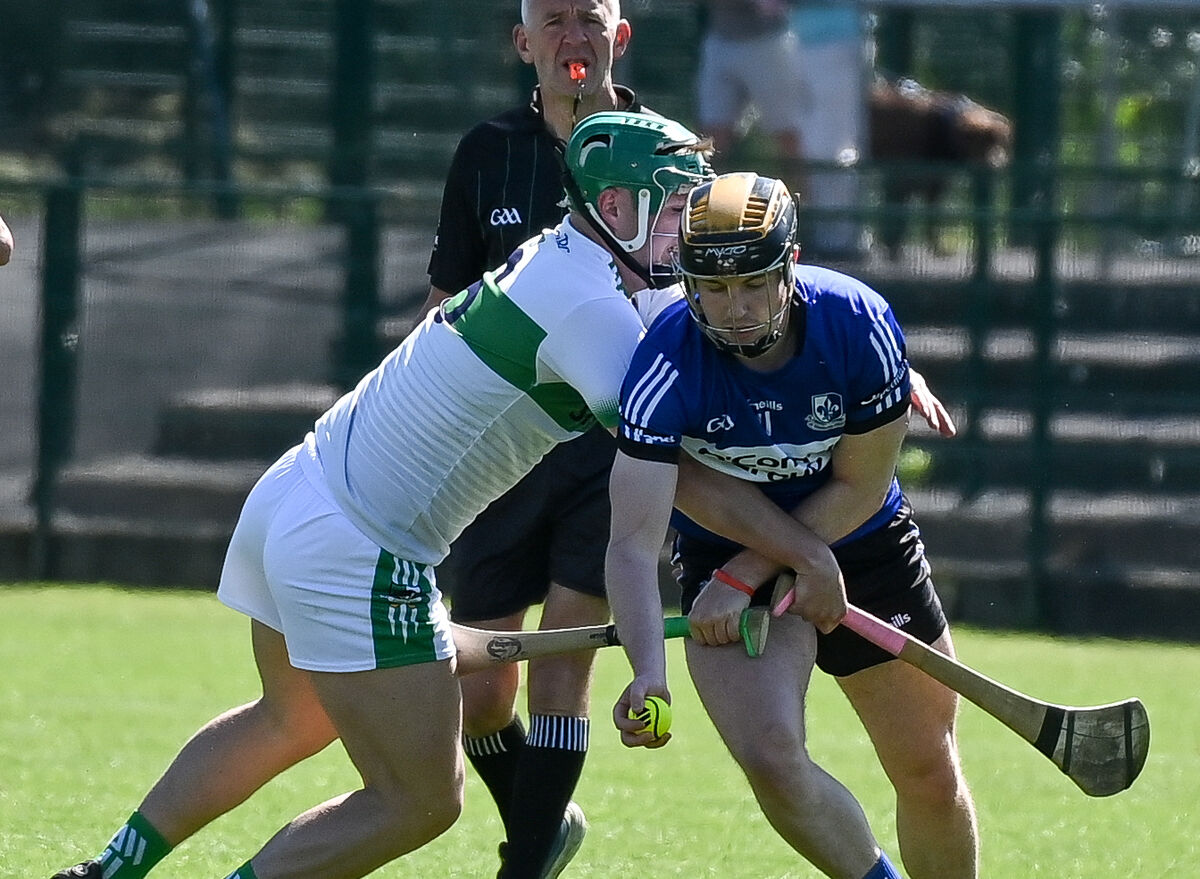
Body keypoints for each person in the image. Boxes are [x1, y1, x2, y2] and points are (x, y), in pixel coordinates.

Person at [48, 111, 721, 879]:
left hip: (298, 489)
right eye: (675, 209)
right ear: (616, 207)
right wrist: (788, 550)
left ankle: (108, 871)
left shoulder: (566, 259)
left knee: (290, 717)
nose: (687, 232)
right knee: (421, 799)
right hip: (360, 549)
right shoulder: (592, 311)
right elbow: (683, 465)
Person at [606, 172, 979, 878]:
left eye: (754, 283)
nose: (736, 309)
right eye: (714, 288)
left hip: (859, 541)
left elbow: (861, 487)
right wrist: (648, 671)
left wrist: (757, 569)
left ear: (791, 265)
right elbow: (631, 541)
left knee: (928, 770)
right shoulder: (665, 362)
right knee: (772, 758)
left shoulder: (857, 324)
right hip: (721, 552)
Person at [417, 1, 645, 875]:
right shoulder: (487, 151)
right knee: (481, 692)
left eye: (589, 18)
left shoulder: (663, 152)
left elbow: (723, 286)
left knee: (561, 670)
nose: (572, 36)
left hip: (613, 450)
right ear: (522, 43)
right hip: (499, 451)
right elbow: (448, 301)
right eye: (552, 20)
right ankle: (546, 828)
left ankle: (522, 864)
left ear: (619, 36)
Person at [696, 0, 810, 200]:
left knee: (788, 135)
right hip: (720, 37)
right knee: (711, 139)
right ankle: (707, 206)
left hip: (767, 41)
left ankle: (803, 208)